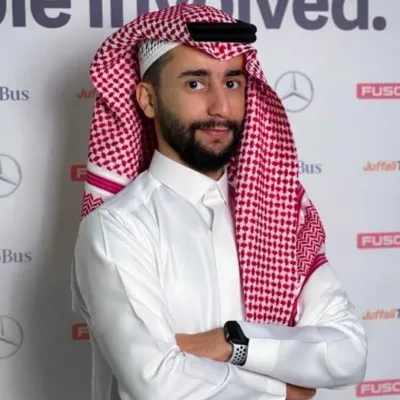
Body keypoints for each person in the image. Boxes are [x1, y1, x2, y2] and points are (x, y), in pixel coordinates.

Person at [71, 4, 367, 400]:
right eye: (195, 83)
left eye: (231, 82)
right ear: (147, 99)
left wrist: (231, 342)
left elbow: (348, 353)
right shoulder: (117, 227)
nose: (221, 107)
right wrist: (283, 391)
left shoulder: (278, 214)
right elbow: (159, 384)